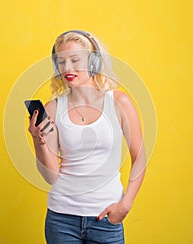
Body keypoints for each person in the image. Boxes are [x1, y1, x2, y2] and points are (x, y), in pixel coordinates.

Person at [28, 30, 147, 244]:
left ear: (93, 62)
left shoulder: (119, 102)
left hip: (105, 219)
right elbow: (51, 176)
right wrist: (39, 141)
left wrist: (125, 204)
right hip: (61, 220)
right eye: (61, 62)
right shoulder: (54, 108)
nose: (67, 68)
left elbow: (139, 158)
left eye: (75, 60)